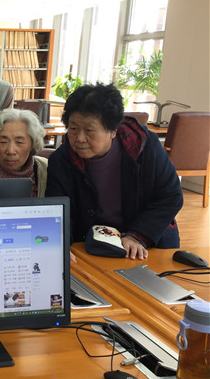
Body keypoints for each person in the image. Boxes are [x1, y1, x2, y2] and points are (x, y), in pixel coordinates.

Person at [45, 82, 183, 260]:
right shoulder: (61, 160)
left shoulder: (143, 146)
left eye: (89, 130)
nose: (79, 138)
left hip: (148, 242)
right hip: (92, 245)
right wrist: (60, 244)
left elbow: (171, 196)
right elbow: (58, 209)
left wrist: (137, 236)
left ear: (113, 130)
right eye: (73, 128)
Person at [0, 108, 48, 197]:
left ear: (32, 144)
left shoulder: (47, 169)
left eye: (19, 142)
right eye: (3, 142)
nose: (11, 151)